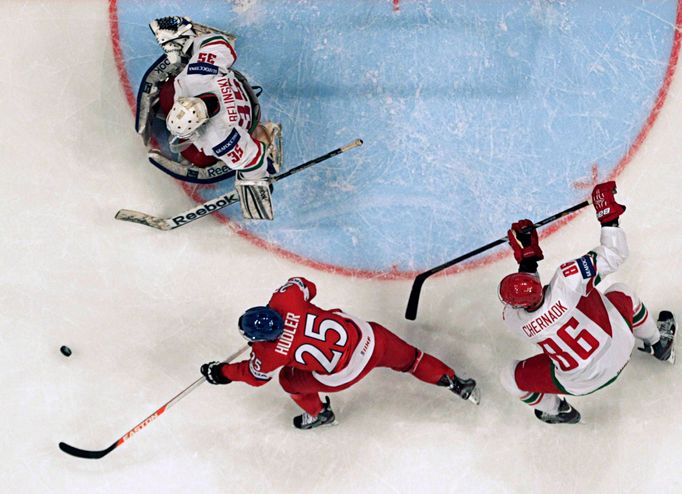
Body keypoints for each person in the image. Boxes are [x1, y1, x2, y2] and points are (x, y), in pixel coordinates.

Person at [498, 181, 676, 424]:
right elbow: (614, 254)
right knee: (621, 292)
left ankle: (558, 409)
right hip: (620, 349)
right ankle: (658, 344)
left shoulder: (514, 321)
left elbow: (527, 303)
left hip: (579, 383)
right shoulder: (567, 280)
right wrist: (607, 215)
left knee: (509, 378)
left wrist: (528, 259)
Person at [201, 277, 480, 429]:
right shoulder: (284, 300)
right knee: (411, 359)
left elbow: (255, 376)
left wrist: (221, 372)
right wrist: (290, 306)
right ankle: (456, 383)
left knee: (288, 380)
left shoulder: (269, 353)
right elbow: (307, 286)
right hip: (370, 338)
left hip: (345, 373)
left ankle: (320, 414)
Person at [139, 16, 281, 219]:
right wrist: (186, 43)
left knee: (198, 158)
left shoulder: (220, 138)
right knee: (168, 92)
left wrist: (258, 179)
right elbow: (219, 43)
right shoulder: (199, 76)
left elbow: (252, 160)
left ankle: (265, 135)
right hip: (236, 93)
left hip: (246, 118)